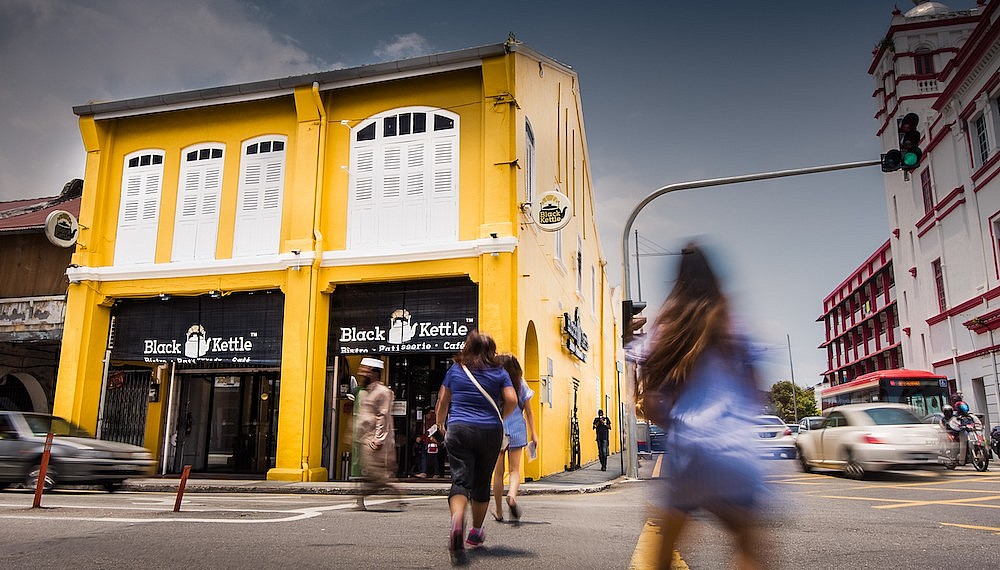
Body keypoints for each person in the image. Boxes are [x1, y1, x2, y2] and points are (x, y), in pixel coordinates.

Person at [635, 242, 769, 570]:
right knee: (748, 543)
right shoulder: (733, 324)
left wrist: (679, 424)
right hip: (736, 448)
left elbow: (650, 403)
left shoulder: (667, 329)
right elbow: (755, 393)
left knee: (665, 546)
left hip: (690, 449)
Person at [435, 331, 517, 564]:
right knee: (481, 483)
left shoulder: (456, 370)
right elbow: (512, 399)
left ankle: (457, 520)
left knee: (460, 481)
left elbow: (443, 400)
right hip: (490, 431)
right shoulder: (499, 372)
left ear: (468, 348)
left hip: (459, 428)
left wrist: (440, 423)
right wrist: (500, 416)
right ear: (492, 351)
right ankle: (476, 532)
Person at [491, 353, 538, 523]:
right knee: (515, 470)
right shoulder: (520, 383)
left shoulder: (495, 382)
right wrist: (534, 433)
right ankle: (511, 495)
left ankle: (498, 510)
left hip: (499, 429)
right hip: (518, 427)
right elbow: (530, 411)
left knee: (498, 473)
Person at [353, 357, 397, 511]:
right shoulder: (364, 392)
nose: (360, 372)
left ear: (373, 372)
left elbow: (383, 416)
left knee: (376, 475)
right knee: (369, 473)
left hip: (374, 441)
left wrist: (378, 439)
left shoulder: (383, 392)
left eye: (364, 369)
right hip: (363, 439)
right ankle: (361, 499)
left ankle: (393, 491)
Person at [415, 408, 442, 478]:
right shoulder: (433, 420)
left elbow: (428, 432)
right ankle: (433, 472)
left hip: (431, 441)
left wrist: (422, 438)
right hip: (429, 441)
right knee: (431, 457)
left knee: (430, 457)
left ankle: (429, 472)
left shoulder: (431, 421)